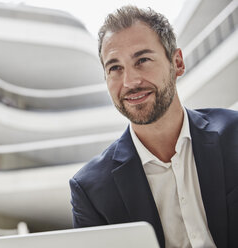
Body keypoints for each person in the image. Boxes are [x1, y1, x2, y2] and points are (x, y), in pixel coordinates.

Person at [69, 5, 238, 248]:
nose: (130, 82)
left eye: (143, 60)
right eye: (115, 68)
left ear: (177, 63)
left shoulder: (235, 135)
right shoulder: (90, 191)